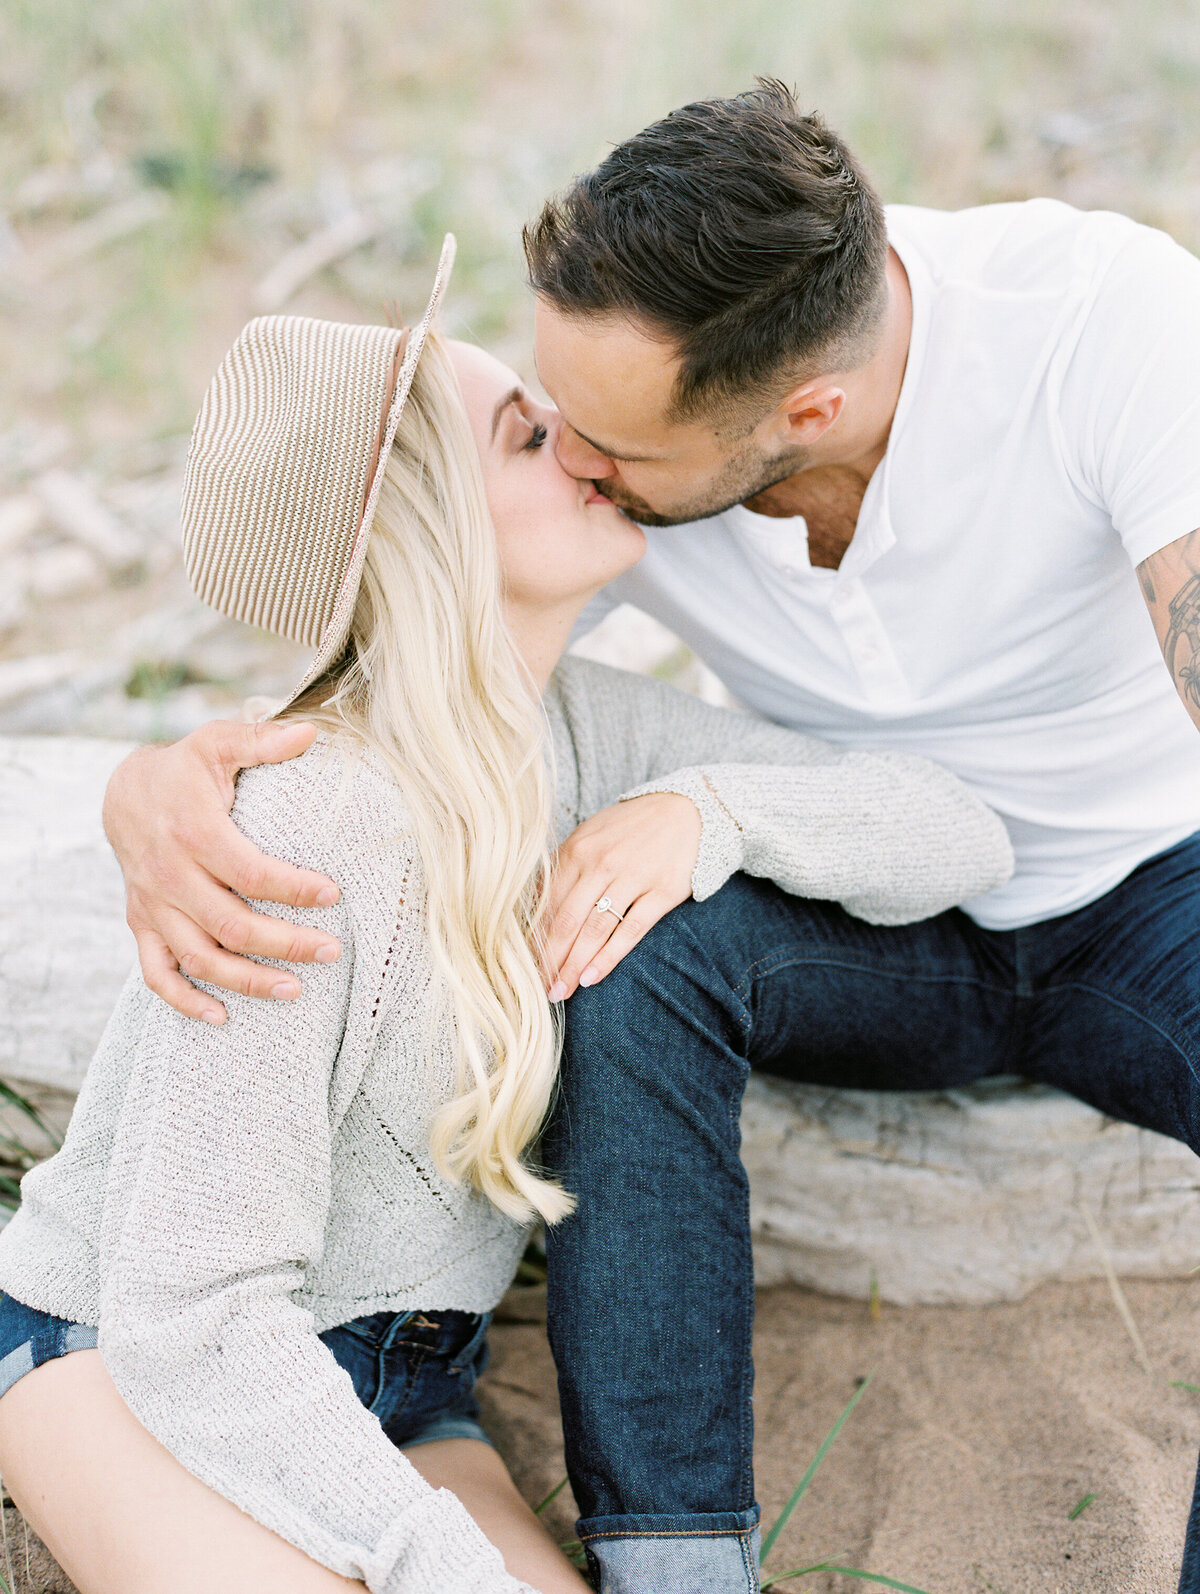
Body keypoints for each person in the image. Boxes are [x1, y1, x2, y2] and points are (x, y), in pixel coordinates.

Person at [0, 244, 1012, 1594]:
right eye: (531, 435)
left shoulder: (588, 733)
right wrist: (431, 1557)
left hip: (410, 1378)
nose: (591, 449)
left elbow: (957, 828)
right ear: (433, 523)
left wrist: (711, 815)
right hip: (128, 1360)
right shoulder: (307, 827)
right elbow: (196, 1311)